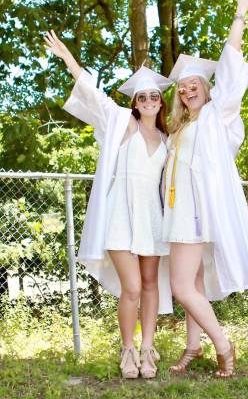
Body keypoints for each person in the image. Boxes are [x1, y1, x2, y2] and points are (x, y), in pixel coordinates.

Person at [44, 31, 173, 379]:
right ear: (135, 102)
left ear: (161, 102)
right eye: (142, 96)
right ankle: (127, 349)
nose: (148, 100)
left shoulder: (166, 138)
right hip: (120, 213)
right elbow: (92, 93)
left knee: (150, 285)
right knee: (131, 287)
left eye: (154, 96)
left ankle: (148, 349)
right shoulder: (122, 123)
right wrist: (67, 58)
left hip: (152, 216)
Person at [161, 0, 248, 377]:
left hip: (194, 213)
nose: (188, 90)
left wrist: (239, 17)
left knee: (181, 286)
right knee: (195, 284)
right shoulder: (181, 126)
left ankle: (223, 346)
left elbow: (231, 71)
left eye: (195, 85)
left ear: (206, 89)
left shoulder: (214, 116)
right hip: (176, 211)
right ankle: (192, 347)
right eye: (182, 87)